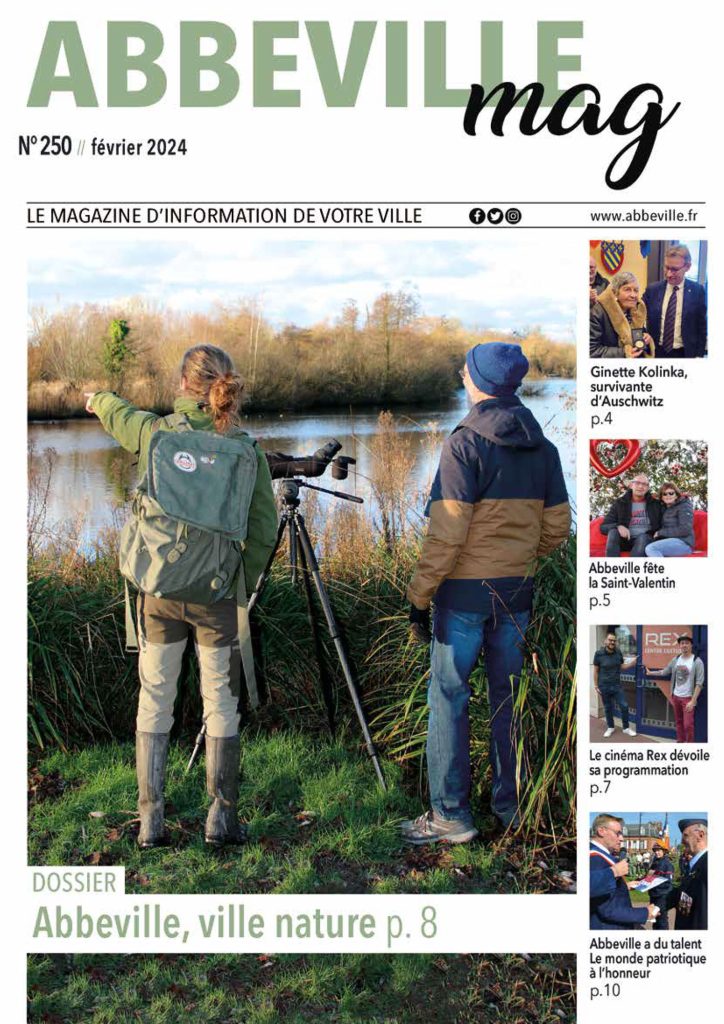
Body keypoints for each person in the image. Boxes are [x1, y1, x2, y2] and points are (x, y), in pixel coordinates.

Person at [86, 345, 278, 848]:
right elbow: (263, 530)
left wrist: (98, 398)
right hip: (216, 596)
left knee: (155, 699)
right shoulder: (244, 448)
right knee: (221, 703)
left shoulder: (156, 435)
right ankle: (222, 819)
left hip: (161, 592)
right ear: (224, 386)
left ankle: (151, 820)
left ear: (183, 384)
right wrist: (242, 581)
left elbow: (121, 415)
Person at [400, 342, 570, 845]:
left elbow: (446, 534)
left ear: (479, 382)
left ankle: (451, 815)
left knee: (449, 696)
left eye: (465, 370)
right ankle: (510, 809)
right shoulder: (544, 448)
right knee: (507, 700)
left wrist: (419, 596)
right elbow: (557, 528)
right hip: (517, 593)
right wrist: (518, 559)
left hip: (464, 598)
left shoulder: (464, 444)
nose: (460, 373)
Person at [590, 814, 659, 929]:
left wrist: (626, 885)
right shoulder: (595, 858)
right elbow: (608, 909)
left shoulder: (600, 856)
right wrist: (645, 913)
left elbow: (602, 891)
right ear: (601, 831)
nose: (622, 838)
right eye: (618, 833)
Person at [643, 245, 707, 358]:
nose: (668, 274)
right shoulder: (652, 290)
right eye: (666, 267)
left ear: (687, 267)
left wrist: (699, 355)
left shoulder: (698, 291)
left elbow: (701, 326)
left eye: (674, 269)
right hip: (656, 352)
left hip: (685, 353)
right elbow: (638, 314)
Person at [645, 635, 704, 743]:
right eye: (682, 643)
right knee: (678, 721)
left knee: (688, 725)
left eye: (687, 643)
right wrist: (651, 673)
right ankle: (680, 740)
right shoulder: (676, 659)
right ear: (679, 646)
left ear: (691, 645)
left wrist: (693, 701)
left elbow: (700, 683)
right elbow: (665, 671)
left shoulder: (697, 661)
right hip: (676, 696)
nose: (684, 645)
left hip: (688, 699)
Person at [590, 271, 655, 359]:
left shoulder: (635, 311)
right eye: (627, 289)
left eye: (636, 290)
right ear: (615, 292)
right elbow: (592, 351)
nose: (633, 295)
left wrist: (646, 340)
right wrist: (624, 353)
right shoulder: (598, 313)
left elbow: (638, 342)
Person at [598, 473, 662, 557]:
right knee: (613, 532)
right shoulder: (620, 503)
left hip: (645, 539)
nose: (640, 486)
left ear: (648, 488)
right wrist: (618, 526)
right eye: (637, 483)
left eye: (644, 484)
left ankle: (632, 568)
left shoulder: (656, 504)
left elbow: (665, 522)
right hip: (624, 540)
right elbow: (603, 527)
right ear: (631, 485)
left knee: (643, 538)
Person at [593, 632, 637, 738]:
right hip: (604, 686)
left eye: (614, 640)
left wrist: (632, 663)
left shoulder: (618, 652)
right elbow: (595, 671)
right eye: (610, 640)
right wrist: (596, 686)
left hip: (617, 686)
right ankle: (610, 727)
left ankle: (626, 728)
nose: (612, 642)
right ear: (605, 641)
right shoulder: (599, 654)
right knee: (608, 708)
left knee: (624, 706)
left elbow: (622, 666)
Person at [668, 819, 708, 929]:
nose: (681, 841)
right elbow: (684, 893)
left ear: (700, 835)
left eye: (685, 835)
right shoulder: (694, 864)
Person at [645, 483, 695, 557]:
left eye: (671, 493)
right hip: (669, 541)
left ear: (676, 495)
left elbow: (685, 529)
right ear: (662, 497)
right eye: (664, 494)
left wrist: (660, 533)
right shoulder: (665, 508)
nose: (668, 496)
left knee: (651, 549)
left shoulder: (684, 506)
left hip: (684, 543)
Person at [648, 842, 674, 930]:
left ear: (664, 851)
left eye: (659, 850)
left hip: (662, 896)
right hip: (653, 894)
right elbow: (649, 876)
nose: (656, 852)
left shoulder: (667, 864)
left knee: (661, 920)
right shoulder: (654, 863)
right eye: (655, 851)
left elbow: (668, 882)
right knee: (654, 918)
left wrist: (654, 884)